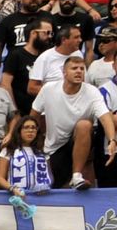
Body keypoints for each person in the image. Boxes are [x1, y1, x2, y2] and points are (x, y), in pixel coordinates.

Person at [32, 53, 117, 189]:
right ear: (64, 72)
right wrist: (34, 142)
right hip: (53, 148)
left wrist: (112, 140)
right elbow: (34, 116)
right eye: (74, 68)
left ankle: (77, 176)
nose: (79, 71)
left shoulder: (92, 92)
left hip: (80, 142)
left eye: (82, 69)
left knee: (84, 125)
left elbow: (105, 117)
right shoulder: (49, 89)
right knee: (55, 188)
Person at [0, 114, 52, 195]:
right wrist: (13, 188)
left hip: (40, 197)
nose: (30, 130)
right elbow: (0, 178)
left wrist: (46, 186)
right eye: (26, 127)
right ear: (19, 131)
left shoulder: (42, 152)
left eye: (33, 128)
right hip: (16, 197)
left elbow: (50, 177)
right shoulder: (8, 150)